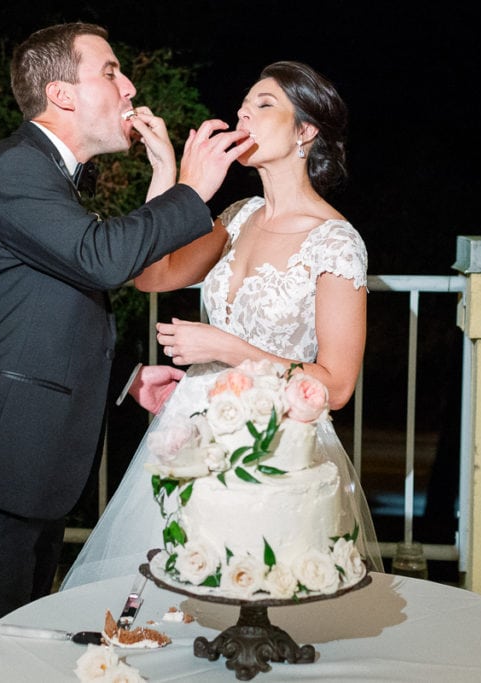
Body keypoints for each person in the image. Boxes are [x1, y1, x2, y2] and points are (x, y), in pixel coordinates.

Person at [0, 22, 254, 647]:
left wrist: (127, 377)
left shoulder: (48, 174)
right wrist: (190, 190)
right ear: (62, 95)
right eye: (110, 71)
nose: (128, 86)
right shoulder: (16, 167)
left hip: (23, 467)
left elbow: (45, 304)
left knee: (20, 652)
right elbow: (100, 258)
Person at [61, 60, 382, 590]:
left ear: (306, 130)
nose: (242, 114)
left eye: (264, 105)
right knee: (166, 595)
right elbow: (152, 276)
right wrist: (166, 170)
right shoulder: (236, 216)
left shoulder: (336, 242)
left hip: (277, 443)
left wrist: (225, 347)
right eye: (242, 105)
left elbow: (338, 386)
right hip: (194, 429)